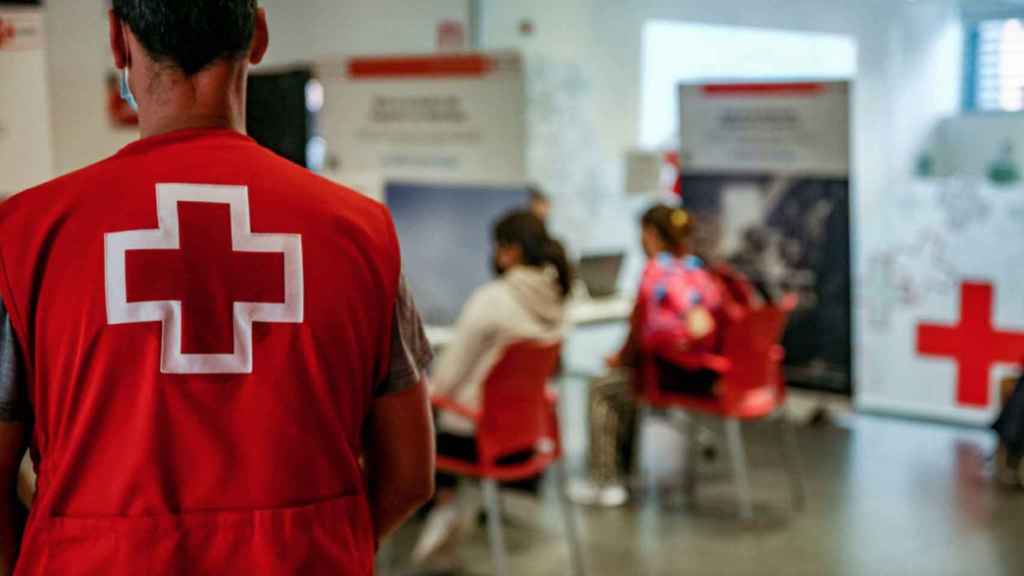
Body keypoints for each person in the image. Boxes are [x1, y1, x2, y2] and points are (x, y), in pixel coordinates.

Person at [0, 2, 436, 573]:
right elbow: (410, 474)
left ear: (116, 40)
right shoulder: (361, 233)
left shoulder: (28, 234)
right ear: (258, 34)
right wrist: (326, 541)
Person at [412, 210, 572, 567]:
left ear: (509, 251)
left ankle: (444, 510)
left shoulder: (492, 299)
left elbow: (447, 380)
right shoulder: (559, 299)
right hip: (527, 438)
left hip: (477, 440)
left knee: (414, 420)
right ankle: (451, 510)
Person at [569, 204, 724, 507]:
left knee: (602, 389)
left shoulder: (654, 273)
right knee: (622, 386)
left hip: (663, 376)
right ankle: (621, 473)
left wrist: (618, 359)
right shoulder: (696, 269)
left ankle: (605, 481)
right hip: (702, 373)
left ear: (651, 234)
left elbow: (638, 333)